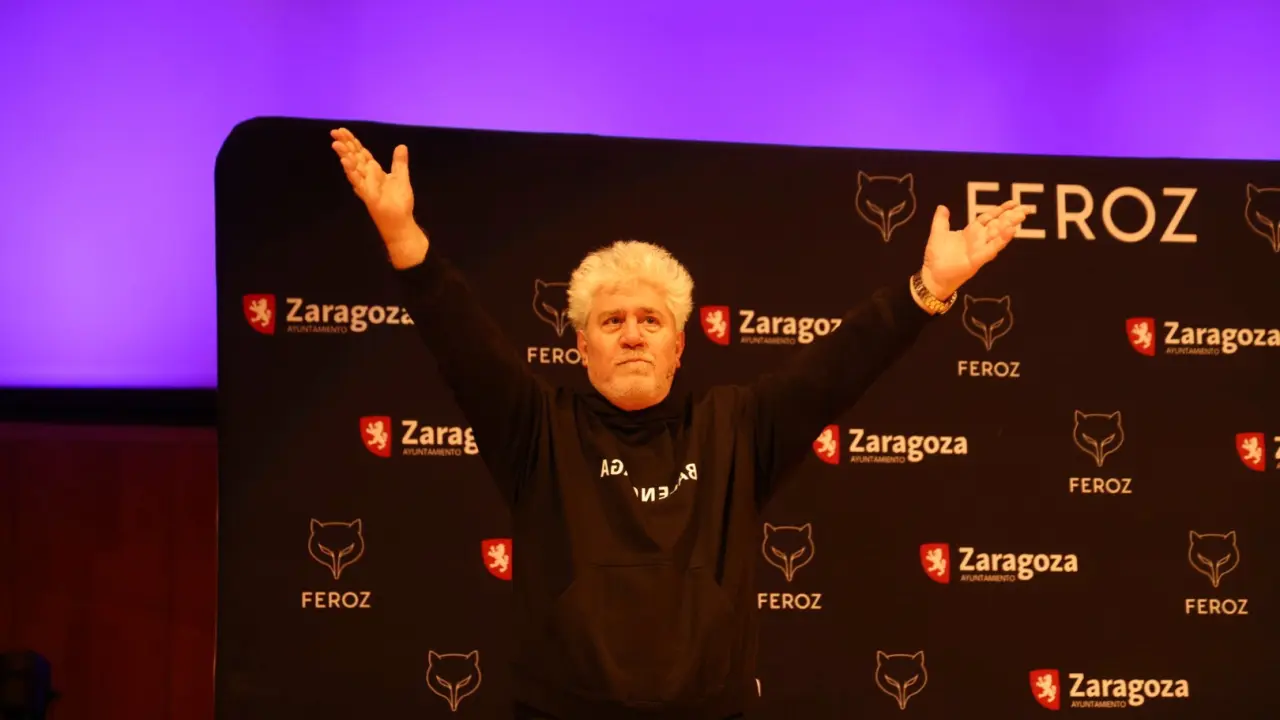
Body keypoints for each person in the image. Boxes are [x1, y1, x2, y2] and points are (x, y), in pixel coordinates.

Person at [329, 127, 1026, 719]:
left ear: (679, 346)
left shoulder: (735, 427)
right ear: (582, 347)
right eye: (612, 321)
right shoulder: (538, 429)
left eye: (650, 321)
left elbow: (838, 367)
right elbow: (464, 344)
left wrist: (929, 288)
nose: (633, 334)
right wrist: (403, 236)